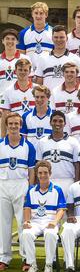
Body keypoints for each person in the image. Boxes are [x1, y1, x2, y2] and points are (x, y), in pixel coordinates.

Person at [0, 113, 36, 269]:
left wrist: (31, 190)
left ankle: (26, 257)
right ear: (6, 125)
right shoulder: (0, 144)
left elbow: (32, 171)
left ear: (21, 126)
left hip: (22, 185)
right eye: (11, 124)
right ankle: (4, 257)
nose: (14, 126)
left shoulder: (29, 146)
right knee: (4, 223)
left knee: (23, 223)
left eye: (16, 124)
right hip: (3, 185)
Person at [21, 160, 66, 272]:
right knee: (26, 233)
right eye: (40, 173)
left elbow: (61, 209)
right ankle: (32, 265)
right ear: (36, 174)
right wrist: (27, 221)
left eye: (45, 172)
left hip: (50, 221)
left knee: (50, 234)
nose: (43, 175)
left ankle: (49, 265)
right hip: (35, 222)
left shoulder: (57, 190)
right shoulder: (31, 190)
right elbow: (27, 208)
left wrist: (55, 222)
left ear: (50, 173)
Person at [36, 111, 80, 195]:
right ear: (50, 123)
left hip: (68, 181)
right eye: (55, 121)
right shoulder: (42, 142)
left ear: (65, 123)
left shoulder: (73, 142)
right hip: (47, 181)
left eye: (60, 121)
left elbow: (77, 165)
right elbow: (38, 165)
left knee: (67, 208)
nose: (57, 123)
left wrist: (76, 184)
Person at [0, 29, 30, 100]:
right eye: (7, 39)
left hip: (20, 99)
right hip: (1, 99)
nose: (10, 41)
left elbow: (30, 80)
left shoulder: (25, 58)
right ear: (2, 41)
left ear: (17, 42)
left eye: (13, 39)